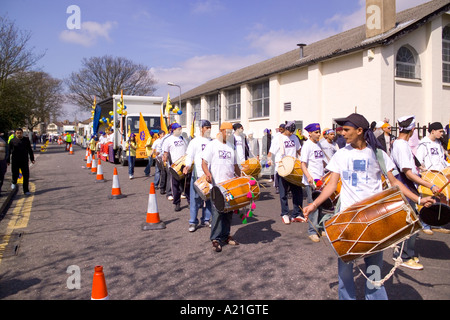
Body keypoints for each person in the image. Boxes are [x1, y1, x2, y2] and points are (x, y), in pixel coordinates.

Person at [302, 113, 434, 300]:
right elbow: (331, 185)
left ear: (359, 131)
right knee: (345, 271)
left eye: (346, 130)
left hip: (374, 219)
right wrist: (313, 205)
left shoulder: (378, 154)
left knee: (374, 270)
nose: (342, 133)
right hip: (348, 219)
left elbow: (394, 182)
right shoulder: (341, 154)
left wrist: (419, 200)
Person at [390, 115, 441, 270]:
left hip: (409, 185)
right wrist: (430, 185)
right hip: (406, 186)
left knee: (410, 222)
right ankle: (403, 256)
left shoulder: (401, 144)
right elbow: (408, 173)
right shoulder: (401, 145)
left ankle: (406, 252)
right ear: (412, 130)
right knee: (409, 223)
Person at [202, 122, 241, 252]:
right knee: (217, 212)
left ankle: (225, 236)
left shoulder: (231, 147)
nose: (229, 134)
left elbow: (235, 166)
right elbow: (204, 163)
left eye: (230, 132)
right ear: (221, 131)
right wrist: (207, 174)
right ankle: (215, 239)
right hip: (217, 186)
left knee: (228, 211)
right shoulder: (212, 145)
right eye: (227, 132)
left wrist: (240, 179)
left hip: (230, 187)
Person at [415, 122, 450, 235]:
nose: (441, 133)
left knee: (439, 201)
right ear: (433, 131)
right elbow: (419, 161)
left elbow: (441, 160)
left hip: (439, 176)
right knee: (428, 200)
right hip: (429, 177)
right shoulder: (424, 144)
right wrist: (423, 169)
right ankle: (425, 224)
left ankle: (437, 224)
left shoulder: (439, 144)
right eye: (440, 131)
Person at [267, 121, 303, 224]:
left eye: (292, 131)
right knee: (283, 194)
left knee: (298, 192)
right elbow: (270, 153)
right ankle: (285, 214)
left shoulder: (295, 138)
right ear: (286, 129)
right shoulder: (278, 139)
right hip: (282, 168)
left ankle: (296, 214)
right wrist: (269, 160)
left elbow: (299, 151)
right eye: (289, 131)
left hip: (293, 169)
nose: (291, 133)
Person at [184, 120, 213, 232]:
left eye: (210, 127)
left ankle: (206, 219)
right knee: (195, 199)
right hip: (197, 174)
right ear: (201, 128)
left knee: (209, 198)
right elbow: (189, 155)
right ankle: (193, 222)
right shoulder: (195, 141)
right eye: (206, 127)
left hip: (209, 175)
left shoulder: (213, 142)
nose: (208, 129)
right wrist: (187, 165)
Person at [301, 123, 326, 242]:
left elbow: (321, 162)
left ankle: (319, 228)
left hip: (320, 181)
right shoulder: (307, 145)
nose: (318, 134)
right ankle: (312, 231)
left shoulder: (319, 144)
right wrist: (308, 177)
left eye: (319, 131)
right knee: (313, 206)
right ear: (310, 133)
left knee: (320, 205)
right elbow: (303, 164)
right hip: (311, 181)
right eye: (316, 132)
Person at [163, 123, 189, 212]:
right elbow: (165, 153)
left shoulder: (183, 139)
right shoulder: (168, 140)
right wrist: (165, 161)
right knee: (175, 185)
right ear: (173, 130)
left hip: (183, 164)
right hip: (174, 165)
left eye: (180, 129)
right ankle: (177, 203)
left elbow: (187, 151)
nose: (180, 130)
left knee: (186, 184)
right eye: (178, 129)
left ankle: (190, 201)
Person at [7, 128, 35, 196]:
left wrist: (32, 158)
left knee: (26, 176)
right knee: (15, 174)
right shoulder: (12, 141)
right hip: (15, 160)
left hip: (24, 160)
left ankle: (26, 190)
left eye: (20, 133)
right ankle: (14, 182)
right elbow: (9, 151)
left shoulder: (26, 140)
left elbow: (30, 150)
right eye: (17, 133)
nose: (19, 134)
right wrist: (8, 160)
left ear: (22, 133)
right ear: (15, 133)